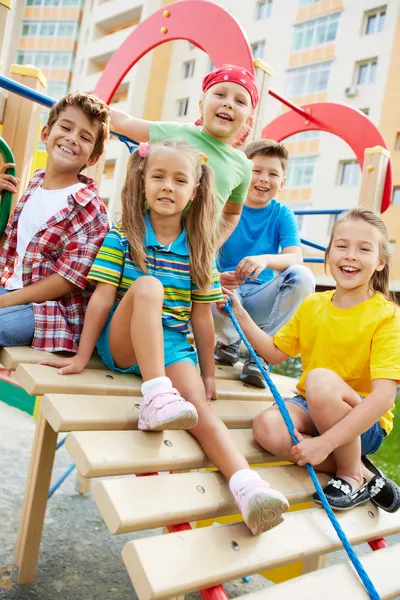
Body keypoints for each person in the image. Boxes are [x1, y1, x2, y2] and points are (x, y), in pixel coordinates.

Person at [43, 140, 289, 535]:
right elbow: (103, 299)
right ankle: (156, 395)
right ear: (143, 183)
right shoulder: (122, 236)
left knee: (201, 412)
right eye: (158, 176)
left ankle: (248, 488)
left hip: (173, 345)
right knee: (149, 288)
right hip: (123, 342)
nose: (167, 187)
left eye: (179, 180)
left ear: (194, 191)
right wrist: (80, 355)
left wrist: (208, 374)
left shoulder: (199, 251)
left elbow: (201, 319)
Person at [218, 207, 400, 512]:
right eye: (341, 246)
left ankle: (351, 475)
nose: (350, 255)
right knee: (266, 427)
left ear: (380, 262)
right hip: (312, 404)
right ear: (328, 255)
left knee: (319, 380)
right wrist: (239, 312)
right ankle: (368, 474)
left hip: (364, 422)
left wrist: (325, 443)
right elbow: (275, 353)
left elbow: (381, 399)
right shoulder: (314, 304)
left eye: (364, 249)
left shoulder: (388, 317)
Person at [0, 92, 111, 352]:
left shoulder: (90, 208)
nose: (72, 138)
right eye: (66, 127)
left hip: (48, 310)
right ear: (46, 133)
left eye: (85, 137)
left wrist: (6, 302)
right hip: (9, 288)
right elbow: (11, 244)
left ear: (92, 158)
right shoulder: (35, 183)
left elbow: (67, 280)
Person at [109, 64, 259, 247]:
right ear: (201, 104)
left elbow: (232, 213)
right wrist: (87, 104)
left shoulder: (242, 166)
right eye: (220, 94)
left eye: (240, 101)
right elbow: (127, 123)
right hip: (146, 241)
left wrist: (211, 246)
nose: (228, 103)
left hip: (189, 256)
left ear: (249, 120)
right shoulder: (177, 133)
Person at [214, 140, 315, 387]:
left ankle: (260, 354)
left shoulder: (282, 214)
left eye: (273, 174)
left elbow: (295, 256)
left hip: (259, 297)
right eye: (256, 171)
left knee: (303, 276)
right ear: (243, 173)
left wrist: (266, 259)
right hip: (222, 294)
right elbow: (202, 252)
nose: (263, 179)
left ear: (282, 183)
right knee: (196, 274)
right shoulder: (222, 206)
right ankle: (228, 341)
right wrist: (217, 277)